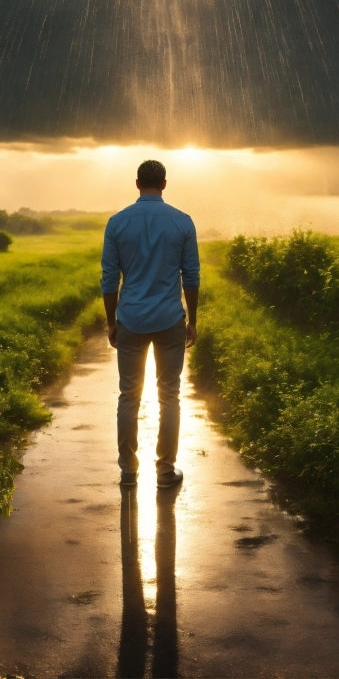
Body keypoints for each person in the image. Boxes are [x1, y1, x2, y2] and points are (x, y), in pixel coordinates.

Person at [101, 159, 200, 489]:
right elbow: (192, 277)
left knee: (128, 396)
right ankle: (165, 471)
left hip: (130, 318)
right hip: (171, 318)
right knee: (169, 396)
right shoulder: (182, 222)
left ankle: (128, 471)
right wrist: (193, 321)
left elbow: (108, 280)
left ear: (137, 183)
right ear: (165, 184)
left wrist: (111, 322)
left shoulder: (117, 223)